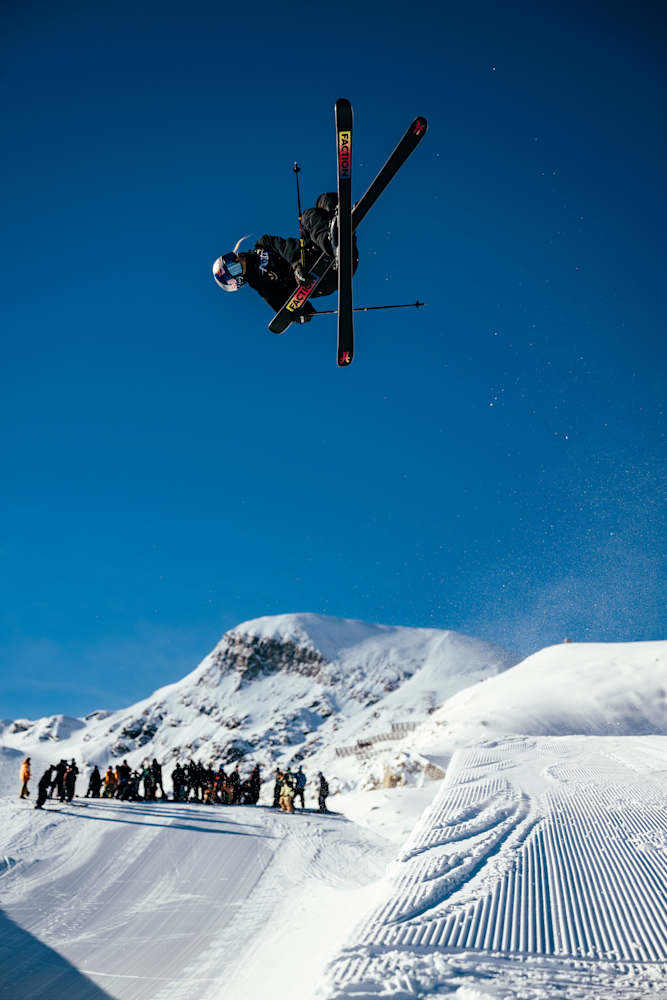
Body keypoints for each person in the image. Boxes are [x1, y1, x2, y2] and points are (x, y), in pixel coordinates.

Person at [212, 193, 359, 319]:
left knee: (320, 204)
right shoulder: (261, 284)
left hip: (321, 253)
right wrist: (299, 314)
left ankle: (339, 223)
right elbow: (281, 305)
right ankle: (335, 239)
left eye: (233, 260)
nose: (239, 260)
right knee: (308, 217)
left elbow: (284, 247)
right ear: (239, 280)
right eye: (235, 268)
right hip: (322, 279)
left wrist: (296, 264)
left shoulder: (263, 244)